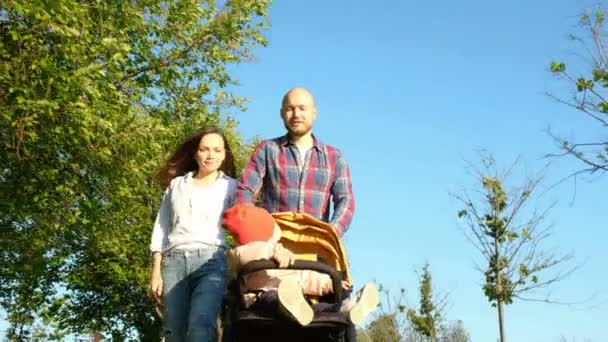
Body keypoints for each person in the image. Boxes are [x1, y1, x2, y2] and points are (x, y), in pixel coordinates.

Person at [222, 204, 379, 327]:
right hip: (260, 300)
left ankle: (348, 308)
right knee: (274, 298)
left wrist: (330, 283)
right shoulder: (240, 256)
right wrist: (272, 250)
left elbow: (305, 278)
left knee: (320, 309)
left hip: (298, 300)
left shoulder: (285, 263)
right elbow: (248, 253)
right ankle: (287, 307)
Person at [149, 127, 238, 342]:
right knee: (173, 333)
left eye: (217, 150)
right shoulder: (177, 185)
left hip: (212, 262)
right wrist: (155, 271)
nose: (210, 155)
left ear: (224, 154)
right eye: (205, 149)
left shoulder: (232, 187)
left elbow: (240, 226)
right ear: (195, 153)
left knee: (201, 327)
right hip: (174, 263)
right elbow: (161, 227)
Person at [237, 87, 355, 236]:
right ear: (281, 113)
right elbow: (245, 191)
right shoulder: (267, 149)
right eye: (290, 109)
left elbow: (346, 200)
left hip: (315, 246)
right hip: (273, 243)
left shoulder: (334, 157)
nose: (296, 114)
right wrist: (254, 229)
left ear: (314, 113)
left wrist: (331, 232)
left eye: (302, 108)